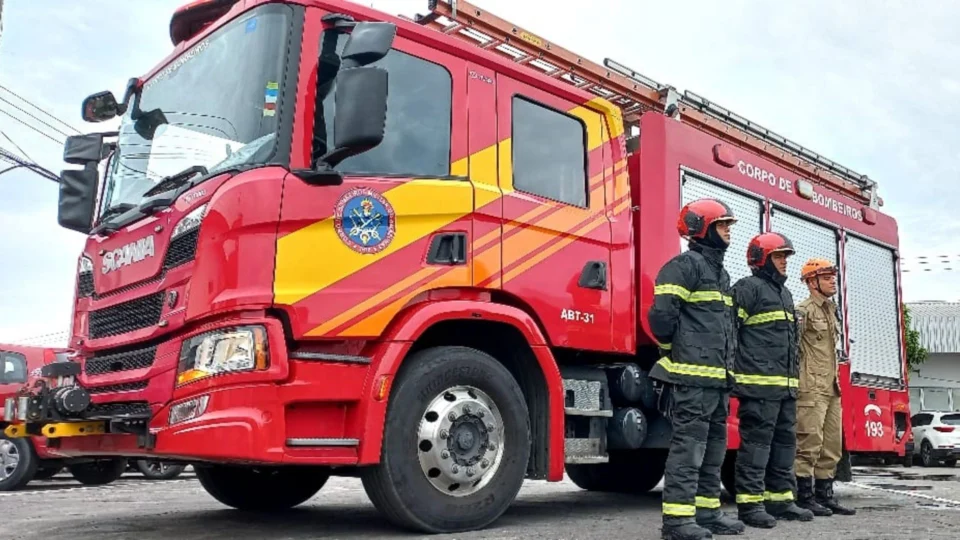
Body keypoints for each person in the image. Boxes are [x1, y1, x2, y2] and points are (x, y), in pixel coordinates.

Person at [649, 198, 745, 540]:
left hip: (717, 382)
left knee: (714, 452)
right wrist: (680, 352)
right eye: (722, 225)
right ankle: (677, 522)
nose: (728, 231)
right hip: (692, 379)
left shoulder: (721, 274)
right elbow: (661, 319)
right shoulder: (683, 267)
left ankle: (707, 513)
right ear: (701, 228)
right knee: (688, 450)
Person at [730, 232, 814, 528]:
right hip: (758, 387)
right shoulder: (747, 289)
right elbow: (729, 332)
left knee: (784, 447)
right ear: (761, 259)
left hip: (785, 388)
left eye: (785, 257)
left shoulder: (785, 294)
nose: (784, 262)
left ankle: (780, 501)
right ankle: (750, 505)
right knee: (756, 448)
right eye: (778, 257)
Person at [793, 258, 857, 516]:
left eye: (833, 276)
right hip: (811, 387)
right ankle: (804, 497)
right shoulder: (803, 311)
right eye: (827, 277)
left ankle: (824, 496)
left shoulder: (831, 309)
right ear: (812, 282)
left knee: (831, 445)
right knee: (809, 443)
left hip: (832, 387)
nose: (833, 281)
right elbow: (792, 349)